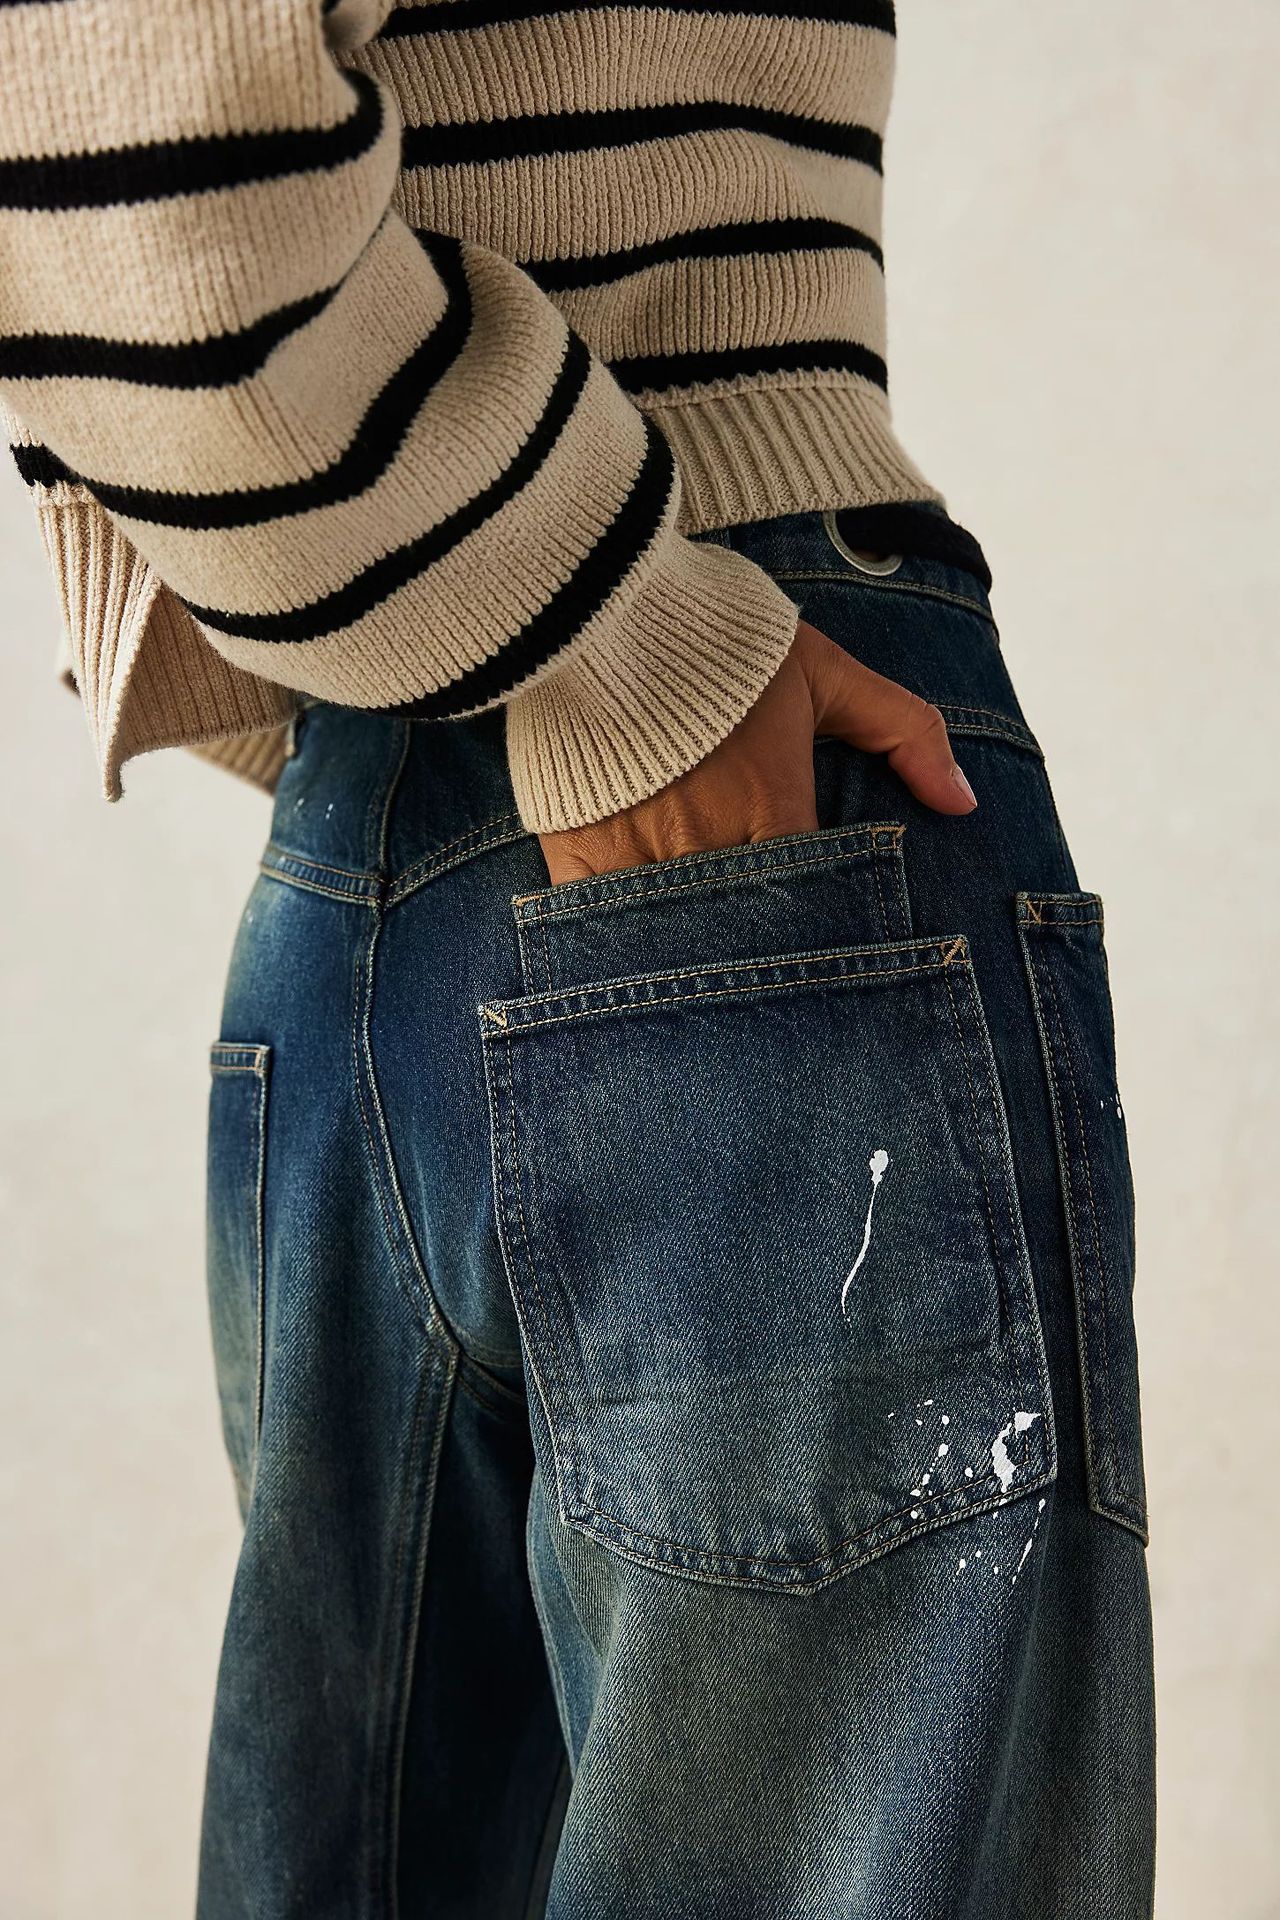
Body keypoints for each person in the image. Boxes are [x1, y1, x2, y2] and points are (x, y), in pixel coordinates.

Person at [0, 1, 1155, 1913]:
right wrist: (619, 655)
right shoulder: (628, 651)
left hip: (414, 805)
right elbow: (129, 159)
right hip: (725, 754)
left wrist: (435, 695)